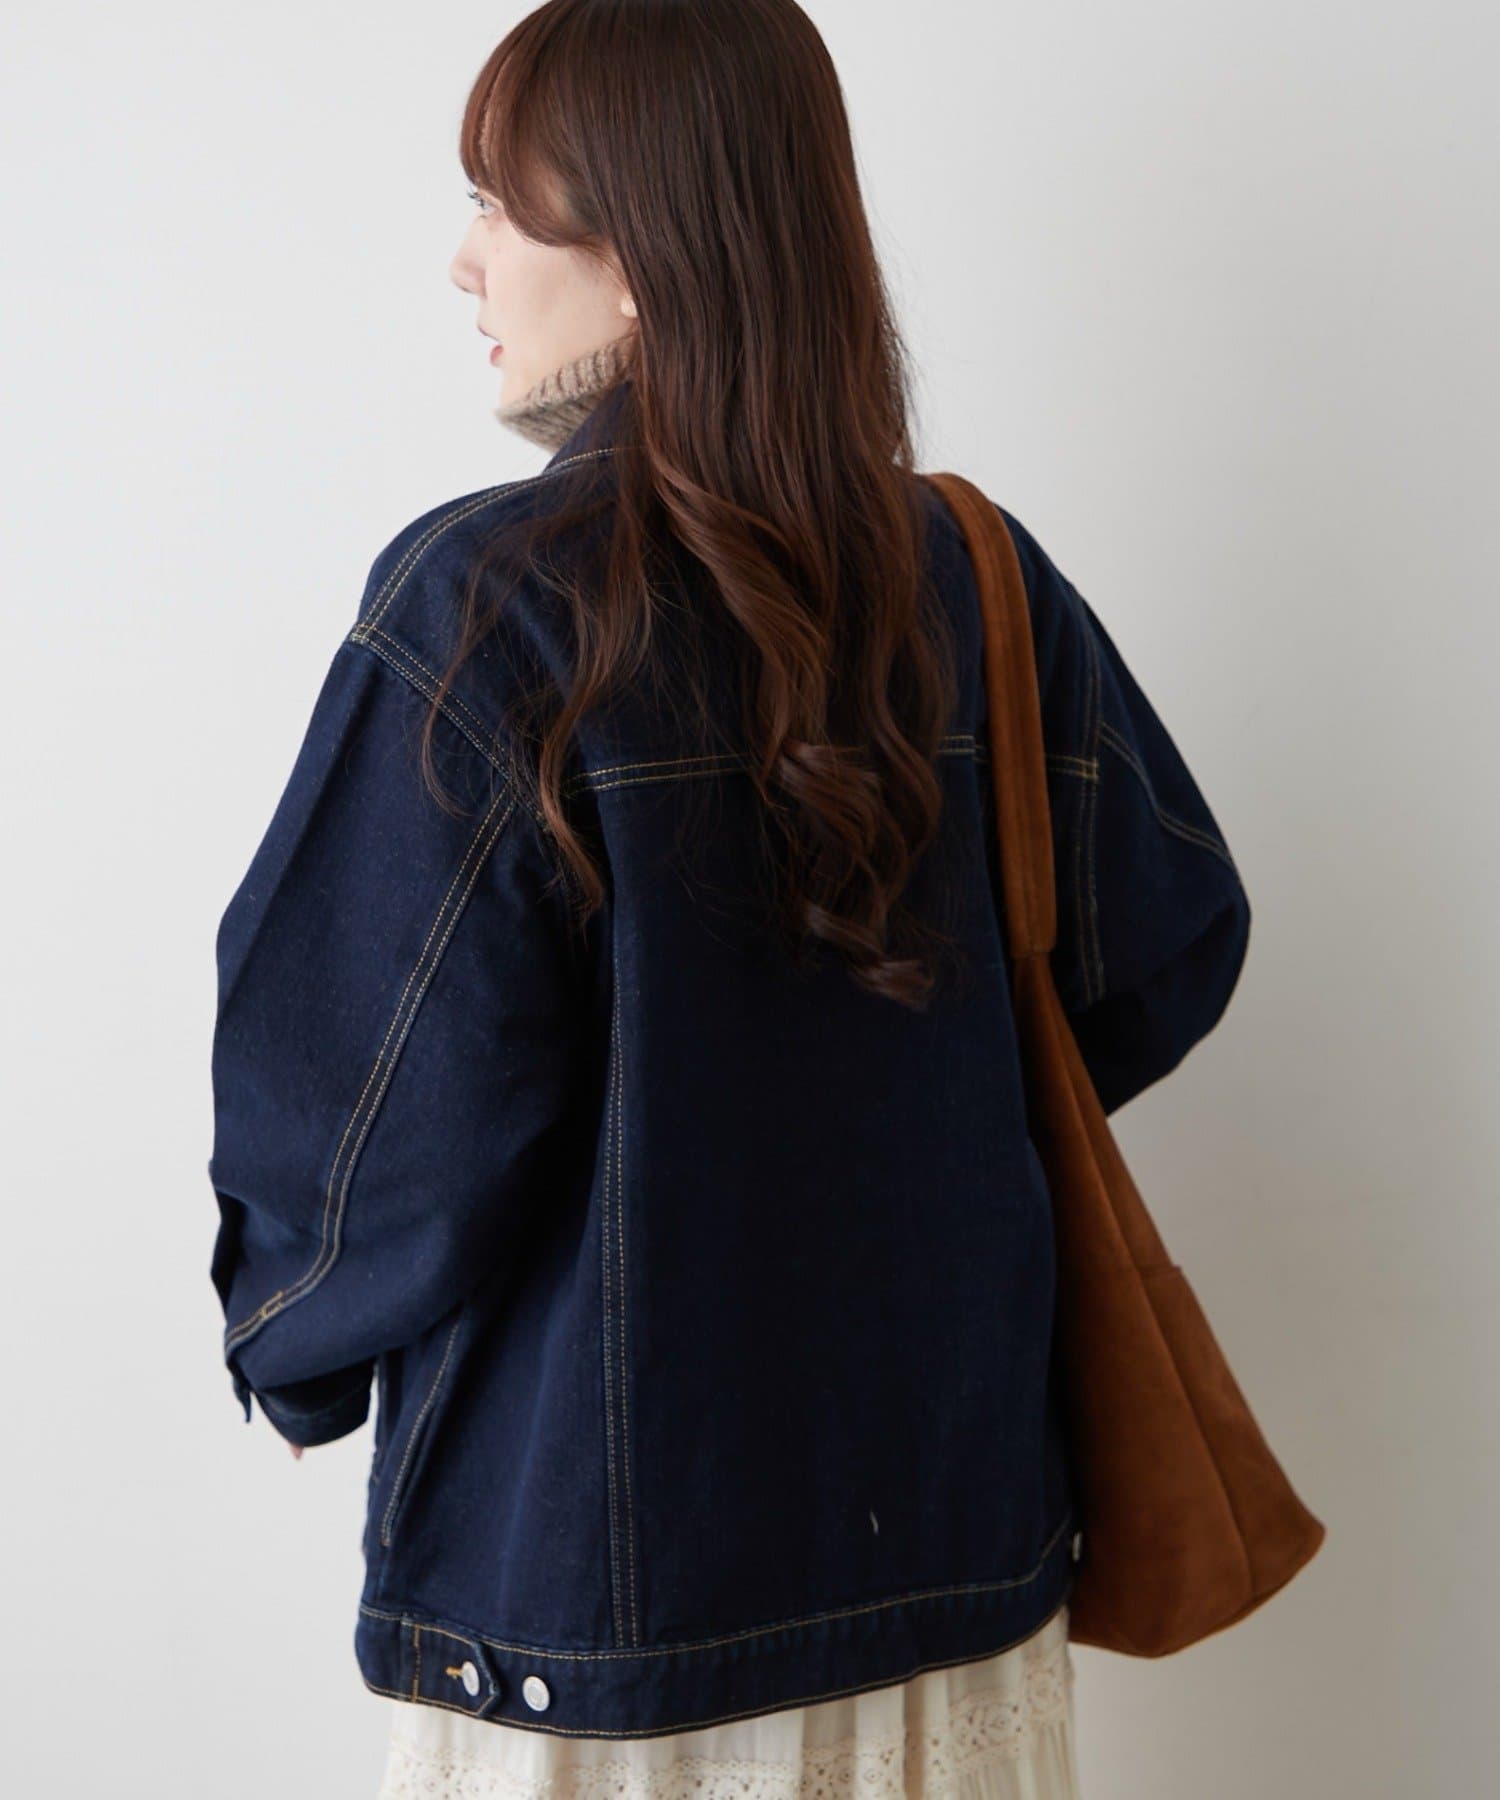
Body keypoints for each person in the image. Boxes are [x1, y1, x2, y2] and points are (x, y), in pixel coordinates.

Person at [205, 3, 1252, 1795]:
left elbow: (365, 1119)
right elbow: (1165, 946)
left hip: (602, 1613)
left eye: (499, 204)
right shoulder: (974, 575)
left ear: (639, 253)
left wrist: (292, 1342)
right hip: (958, 1556)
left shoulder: (492, 603)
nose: (464, 260)